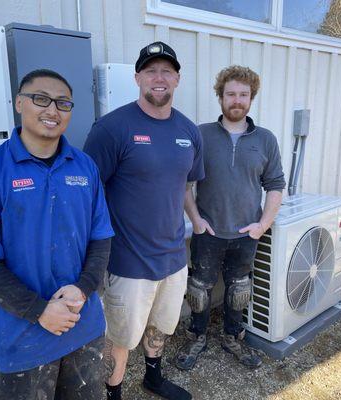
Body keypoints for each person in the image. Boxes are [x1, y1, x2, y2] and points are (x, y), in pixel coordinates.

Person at [0, 69, 114, 400]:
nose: (52, 110)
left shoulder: (84, 168)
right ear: (19, 103)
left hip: (82, 325)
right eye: (40, 99)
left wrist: (84, 288)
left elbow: (101, 238)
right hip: (23, 338)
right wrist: (39, 311)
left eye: (63, 103)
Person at [83, 41, 204, 400]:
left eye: (166, 70)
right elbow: (88, 194)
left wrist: (196, 221)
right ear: (137, 77)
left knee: (162, 326)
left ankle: (153, 377)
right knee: (119, 338)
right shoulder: (111, 129)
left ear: (178, 79)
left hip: (173, 257)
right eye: (150, 70)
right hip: (128, 262)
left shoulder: (188, 131)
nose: (159, 77)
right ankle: (113, 393)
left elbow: (185, 187)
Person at [174, 65, 285, 371]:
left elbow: (275, 186)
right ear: (220, 97)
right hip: (208, 231)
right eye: (231, 94)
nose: (237, 100)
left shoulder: (266, 140)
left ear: (252, 99)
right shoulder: (201, 134)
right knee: (199, 288)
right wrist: (195, 219)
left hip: (246, 233)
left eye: (243, 95)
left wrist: (263, 225)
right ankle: (196, 337)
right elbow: (184, 182)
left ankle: (233, 337)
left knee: (239, 289)